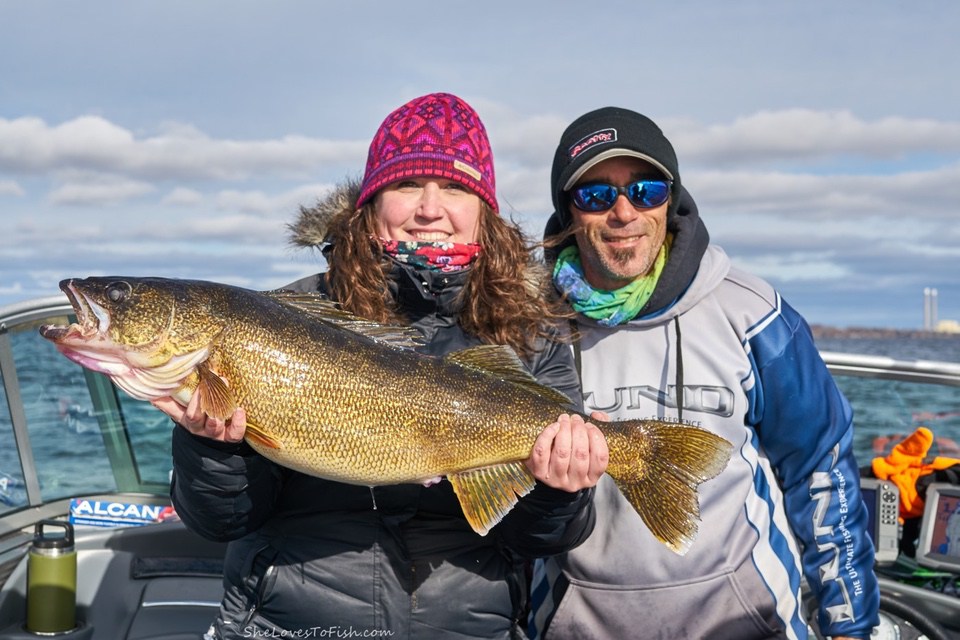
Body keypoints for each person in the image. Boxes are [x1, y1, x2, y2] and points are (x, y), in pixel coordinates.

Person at [152, 92, 609, 640]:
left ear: (484, 214)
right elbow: (220, 521)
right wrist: (214, 450)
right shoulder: (281, 318)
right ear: (370, 202)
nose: (430, 209)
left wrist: (562, 490)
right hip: (288, 626)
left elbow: (544, 538)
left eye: (457, 188)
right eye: (407, 184)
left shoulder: (533, 336)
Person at [529, 107, 880, 639]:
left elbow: (820, 469)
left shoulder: (752, 312)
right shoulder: (525, 323)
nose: (623, 212)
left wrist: (851, 628)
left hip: (746, 624)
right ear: (568, 212)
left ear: (671, 201)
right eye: (596, 195)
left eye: (645, 190)